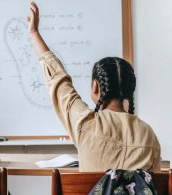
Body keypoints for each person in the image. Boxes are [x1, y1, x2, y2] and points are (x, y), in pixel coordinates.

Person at [27, 2, 160, 171]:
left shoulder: (85, 124)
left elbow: (59, 81)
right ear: (130, 90)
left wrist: (34, 33)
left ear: (95, 87)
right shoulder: (148, 135)